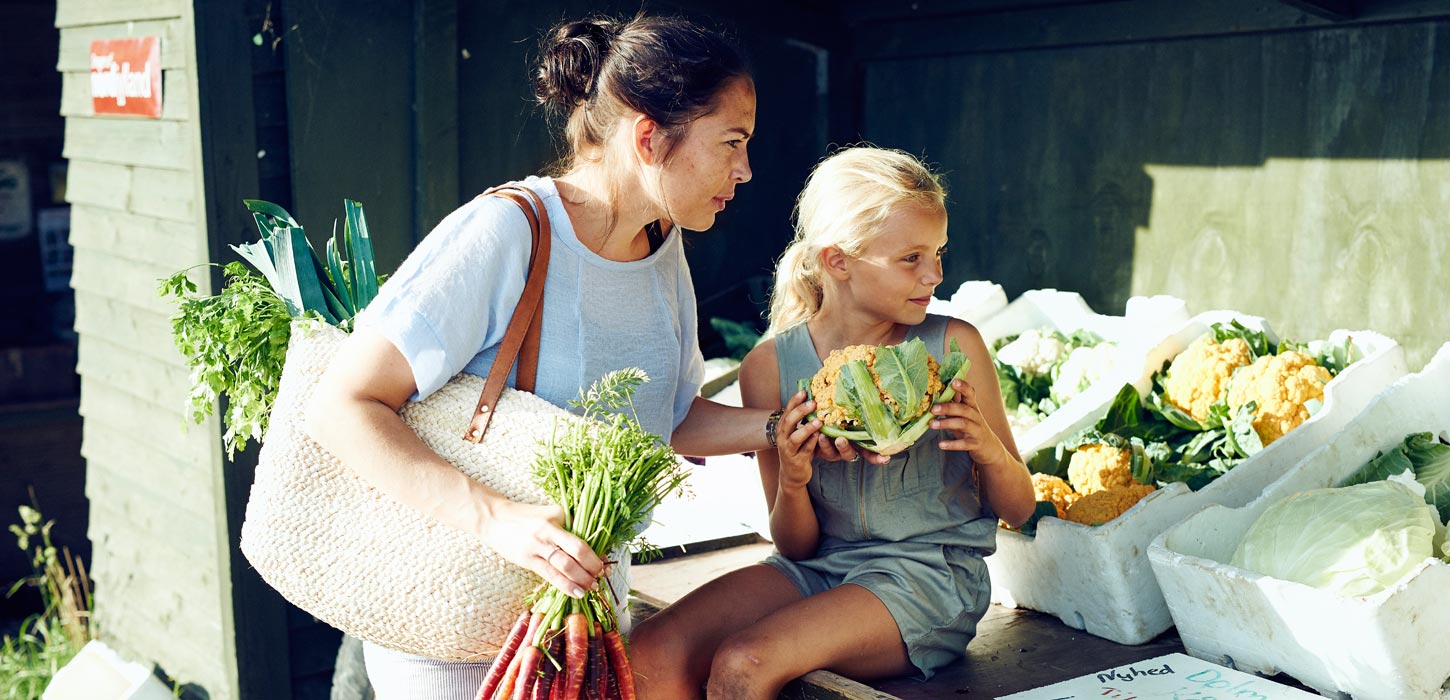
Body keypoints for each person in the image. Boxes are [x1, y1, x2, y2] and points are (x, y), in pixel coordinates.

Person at [305, 13, 863, 697]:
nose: (745, 171)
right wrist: (497, 519)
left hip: (581, 632)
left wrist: (782, 428)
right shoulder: (507, 232)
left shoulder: (663, 253)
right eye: (732, 143)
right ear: (650, 137)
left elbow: (662, 416)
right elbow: (341, 405)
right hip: (457, 635)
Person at [628, 147, 1037, 700]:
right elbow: (796, 547)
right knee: (648, 654)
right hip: (815, 569)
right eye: (911, 258)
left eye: (938, 253)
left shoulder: (953, 344)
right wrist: (794, 479)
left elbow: (1021, 509)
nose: (934, 274)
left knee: (744, 665)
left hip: (927, 579)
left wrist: (986, 449)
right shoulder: (770, 367)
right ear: (839, 260)